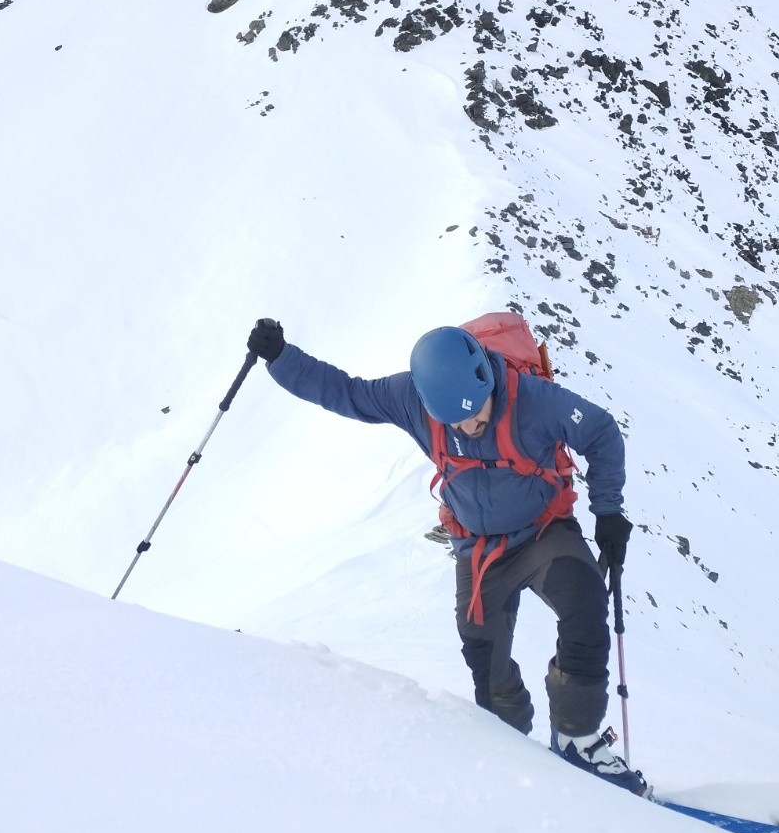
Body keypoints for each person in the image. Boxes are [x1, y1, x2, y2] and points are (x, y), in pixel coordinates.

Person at [247, 316, 648, 794]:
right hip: (480, 550)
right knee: (483, 657)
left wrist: (608, 512)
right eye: (455, 421)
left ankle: (577, 738)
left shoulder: (535, 400)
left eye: (476, 413)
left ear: (486, 379)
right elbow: (347, 392)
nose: (468, 426)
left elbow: (601, 433)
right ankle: (511, 747)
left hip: (544, 532)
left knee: (585, 605)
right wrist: (281, 358)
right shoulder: (411, 399)